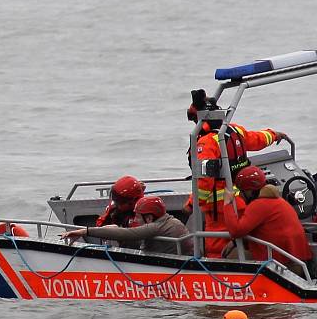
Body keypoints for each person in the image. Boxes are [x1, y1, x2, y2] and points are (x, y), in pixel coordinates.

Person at [185, 89, 285, 257]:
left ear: (200, 118)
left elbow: (204, 182)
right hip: (241, 200)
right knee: (238, 241)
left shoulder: (206, 143)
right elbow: (256, 138)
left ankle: (217, 277)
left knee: (217, 247)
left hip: (219, 208)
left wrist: (190, 205)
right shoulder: (234, 131)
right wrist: (274, 135)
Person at [223, 165, 312, 275]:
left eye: (243, 191)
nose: (241, 195)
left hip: (285, 266)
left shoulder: (258, 205)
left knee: (233, 255)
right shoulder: (279, 200)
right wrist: (234, 242)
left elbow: (235, 230)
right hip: (299, 261)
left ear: (250, 191)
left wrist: (227, 204)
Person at [62, 196, 193, 255]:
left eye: (137, 216)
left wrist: (84, 231)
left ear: (148, 217)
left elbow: (129, 234)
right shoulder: (170, 221)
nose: (135, 219)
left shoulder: (157, 227)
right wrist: (117, 228)